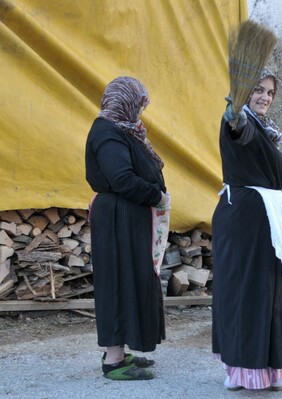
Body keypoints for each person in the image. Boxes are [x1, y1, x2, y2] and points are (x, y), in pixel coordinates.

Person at [211, 69, 282, 391]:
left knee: (248, 289)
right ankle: (272, 374)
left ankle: (242, 373)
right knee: (259, 289)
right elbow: (240, 131)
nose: (264, 97)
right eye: (258, 91)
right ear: (244, 93)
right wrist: (235, 116)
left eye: (270, 93)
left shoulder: (264, 128)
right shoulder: (241, 121)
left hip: (249, 215)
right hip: (251, 217)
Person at [85, 76, 170, 380]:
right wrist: (156, 196)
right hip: (117, 220)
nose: (141, 110)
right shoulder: (108, 132)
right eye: (139, 103)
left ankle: (121, 348)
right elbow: (121, 179)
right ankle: (113, 361)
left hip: (127, 220)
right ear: (125, 102)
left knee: (129, 281)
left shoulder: (122, 129)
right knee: (118, 283)